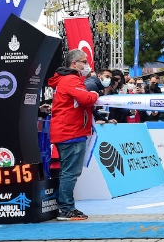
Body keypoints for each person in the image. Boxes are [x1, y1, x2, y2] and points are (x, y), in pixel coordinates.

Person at [47, 49, 99, 221]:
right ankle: (66, 208)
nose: (86, 65)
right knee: (71, 172)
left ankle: (65, 207)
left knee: (67, 172)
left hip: (68, 131)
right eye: (83, 61)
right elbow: (86, 99)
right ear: (74, 63)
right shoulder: (71, 80)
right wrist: (94, 94)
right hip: (71, 131)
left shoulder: (66, 80)